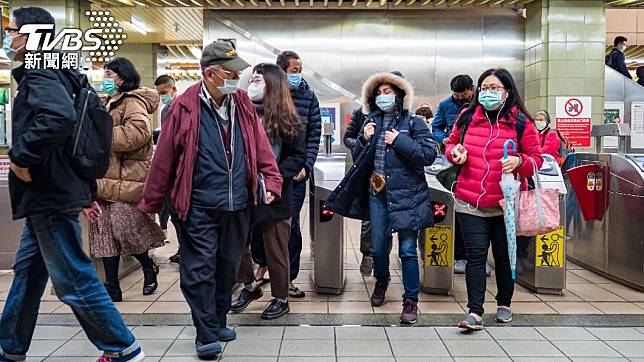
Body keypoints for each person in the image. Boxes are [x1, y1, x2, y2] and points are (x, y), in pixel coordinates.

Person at [0, 7, 144, 362]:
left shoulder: (40, 72)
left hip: (48, 191)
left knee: (73, 278)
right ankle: (10, 346)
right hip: (57, 189)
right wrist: (85, 191)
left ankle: (121, 347)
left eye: (12, 30)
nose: (8, 37)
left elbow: (59, 119)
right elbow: (78, 138)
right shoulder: (65, 71)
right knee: (29, 273)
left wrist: (20, 156)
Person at [138, 40, 282, 360]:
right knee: (199, 268)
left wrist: (271, 179)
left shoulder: (241, 102)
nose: (237, 77)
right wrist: (151, 203)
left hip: (238, 203)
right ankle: (205, 332)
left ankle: (216, 320)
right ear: (210, 73)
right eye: (231, 72)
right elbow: (164, 158)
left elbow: (259, 145)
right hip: (198, 204)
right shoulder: (183, 106)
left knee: (227, 267)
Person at [326, 71, 437, 324]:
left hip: (407, 195)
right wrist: (364, 139)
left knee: (408, 250)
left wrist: (400, 141)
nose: (383, 97)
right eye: (379, 93)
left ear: (399, 95)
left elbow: (428, 154)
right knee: (378, 246)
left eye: (388, 92)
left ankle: (411, 300)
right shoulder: (369, 122)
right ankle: (382, 280)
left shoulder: (413, 123)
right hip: (377, 193)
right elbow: (361, 155)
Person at [444, 68, 543, 331]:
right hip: (470, 200)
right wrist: (455, 152)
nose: (488, 93)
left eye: (495, 88)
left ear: (507, 91)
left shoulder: (521, 122)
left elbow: (537, 159)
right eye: (484, 88)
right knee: (475, 257)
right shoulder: (467, 117)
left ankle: (504, 303)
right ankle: (475, 312)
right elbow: (450, 143)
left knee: (503, 256)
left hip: (505, 204)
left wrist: (520, 161)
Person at [231, 63, 306, 319]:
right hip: (243, 189)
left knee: (276, 247)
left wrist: (274, 179)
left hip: (275, 192)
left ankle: (280, 297)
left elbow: (297, 156)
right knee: (239, 242)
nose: (252, 84)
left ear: (273, 85)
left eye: (259, 80)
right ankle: (249, 286)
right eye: (251, 79)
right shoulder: (239, 114)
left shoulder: (289, 118)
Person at [89, 58, 165, 302]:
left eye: (109, 73)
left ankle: (147, 266)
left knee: (127, 230)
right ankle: (113, 288)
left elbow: (138, 134)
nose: (105, 78)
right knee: (104, 237)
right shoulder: (107, 102)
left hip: (127, 179)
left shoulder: (133, 102)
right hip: (103, 179)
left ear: (122, 77)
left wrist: (100, 135)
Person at [276, 50, 322, 298]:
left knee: (291, 226)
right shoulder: (267, 95)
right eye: (295, 70)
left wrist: (307, 165)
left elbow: (314, 134)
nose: (299, 75)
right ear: (281, 71)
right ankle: (264, 271)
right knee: (266, 226)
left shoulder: (307, 96)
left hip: (295, 175)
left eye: (300, 70)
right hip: (269, 174)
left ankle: (288, 278)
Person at [343, 107, 377, 276]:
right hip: (367, 171)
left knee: (388, 221)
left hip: (390, 172)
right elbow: (347, 139)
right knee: (368, 217)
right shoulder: (360, 113)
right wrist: (363, 141)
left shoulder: (399, 115)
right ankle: (368, 254)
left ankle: (381, 259)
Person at [153, 74, 180, 263]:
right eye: (159, 93)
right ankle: (182, 248)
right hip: (170, 168)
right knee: (173, 212)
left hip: (181, 168)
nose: (162, 96)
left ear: (173, 89)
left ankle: (185, 249)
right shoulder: (164, 111)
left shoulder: (183, 108)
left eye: (164, 92)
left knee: (180, 213)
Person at [432, 74, 474, 149]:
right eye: (456, 95)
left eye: (465, 95)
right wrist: (444, 139)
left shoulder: (480, 103)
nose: (460, 98)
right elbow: (436, 128)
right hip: (454, 148)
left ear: (472, 89)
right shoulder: (445, 105)